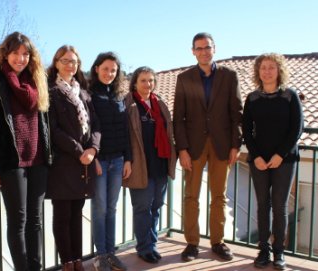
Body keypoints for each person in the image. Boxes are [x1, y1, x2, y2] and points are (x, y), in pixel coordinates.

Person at [0, 31, 51, 271]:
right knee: (18, 222)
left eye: (25, 54)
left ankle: (36, 267)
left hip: (38, 159)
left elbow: (45, 122)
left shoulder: (36, 79)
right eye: (16, 53)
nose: (21, 58)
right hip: (10, 161)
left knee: (36, 220)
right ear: (5, 54)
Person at [173, 32, 242, 261]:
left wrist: (235, 145)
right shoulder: (184, 78)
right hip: (193, 147)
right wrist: (182, 149)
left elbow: (236, 113)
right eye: (199, 48)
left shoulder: (229, 76)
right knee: (191, 195)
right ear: (193, 51)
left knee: (219, 196)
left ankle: (217, 242)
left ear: (214, 48)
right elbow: (178, 118)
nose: (203, 51)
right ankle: (192, 243)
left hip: (223, 146)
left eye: (207, 47)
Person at [243, 53, 303, 270]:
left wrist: (280, 155)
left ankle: (279, 253)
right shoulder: (252, 98)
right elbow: (247, 132)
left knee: (279, 205)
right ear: (258, 72)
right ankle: (263, 251)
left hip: (285, 160)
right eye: (263, 68)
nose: (266, 71)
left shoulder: (290, 95)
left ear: (279, 71)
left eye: (271, 67)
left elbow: (297, 128)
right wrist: (257, 156)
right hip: (258, 160)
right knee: (262, 205)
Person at [46, 45, 100, 271]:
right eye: (66, 60)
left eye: (74, 61)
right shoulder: (50, 93)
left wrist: (93, 150)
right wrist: (80, 151)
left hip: (84, 164)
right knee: (62, 216)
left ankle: (78, 260)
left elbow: (96, 126)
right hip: (63, 164)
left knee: (77, 214)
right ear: (56, 63)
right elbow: (54, 130)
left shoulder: (84, 93)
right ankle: (67, 262)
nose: (71, 65)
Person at [124, 67, 177, 264]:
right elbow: (125, 137)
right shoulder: (129, 104)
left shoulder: (159, 103)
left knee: (156, 206)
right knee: (142, 207)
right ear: (135, 83)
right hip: (140, 164)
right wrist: (127, 160)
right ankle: (144, 247)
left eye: (151, 80)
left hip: (160, 162)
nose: (148, 84)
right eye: (143, 80)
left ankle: (151, 244)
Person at [88, 52, 130, 271]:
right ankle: (100, 255)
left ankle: (111, 253)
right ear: (97, 69)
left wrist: (128, 159)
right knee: (99, 208)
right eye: (105, 69)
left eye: (113, 70)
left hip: (118, 159)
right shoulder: (89, 94)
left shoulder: (119, 96)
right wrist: (92, 157)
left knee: (111, 208)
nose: (109, 73)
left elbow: (126, 130)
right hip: (100, 161)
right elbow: (87, 129)